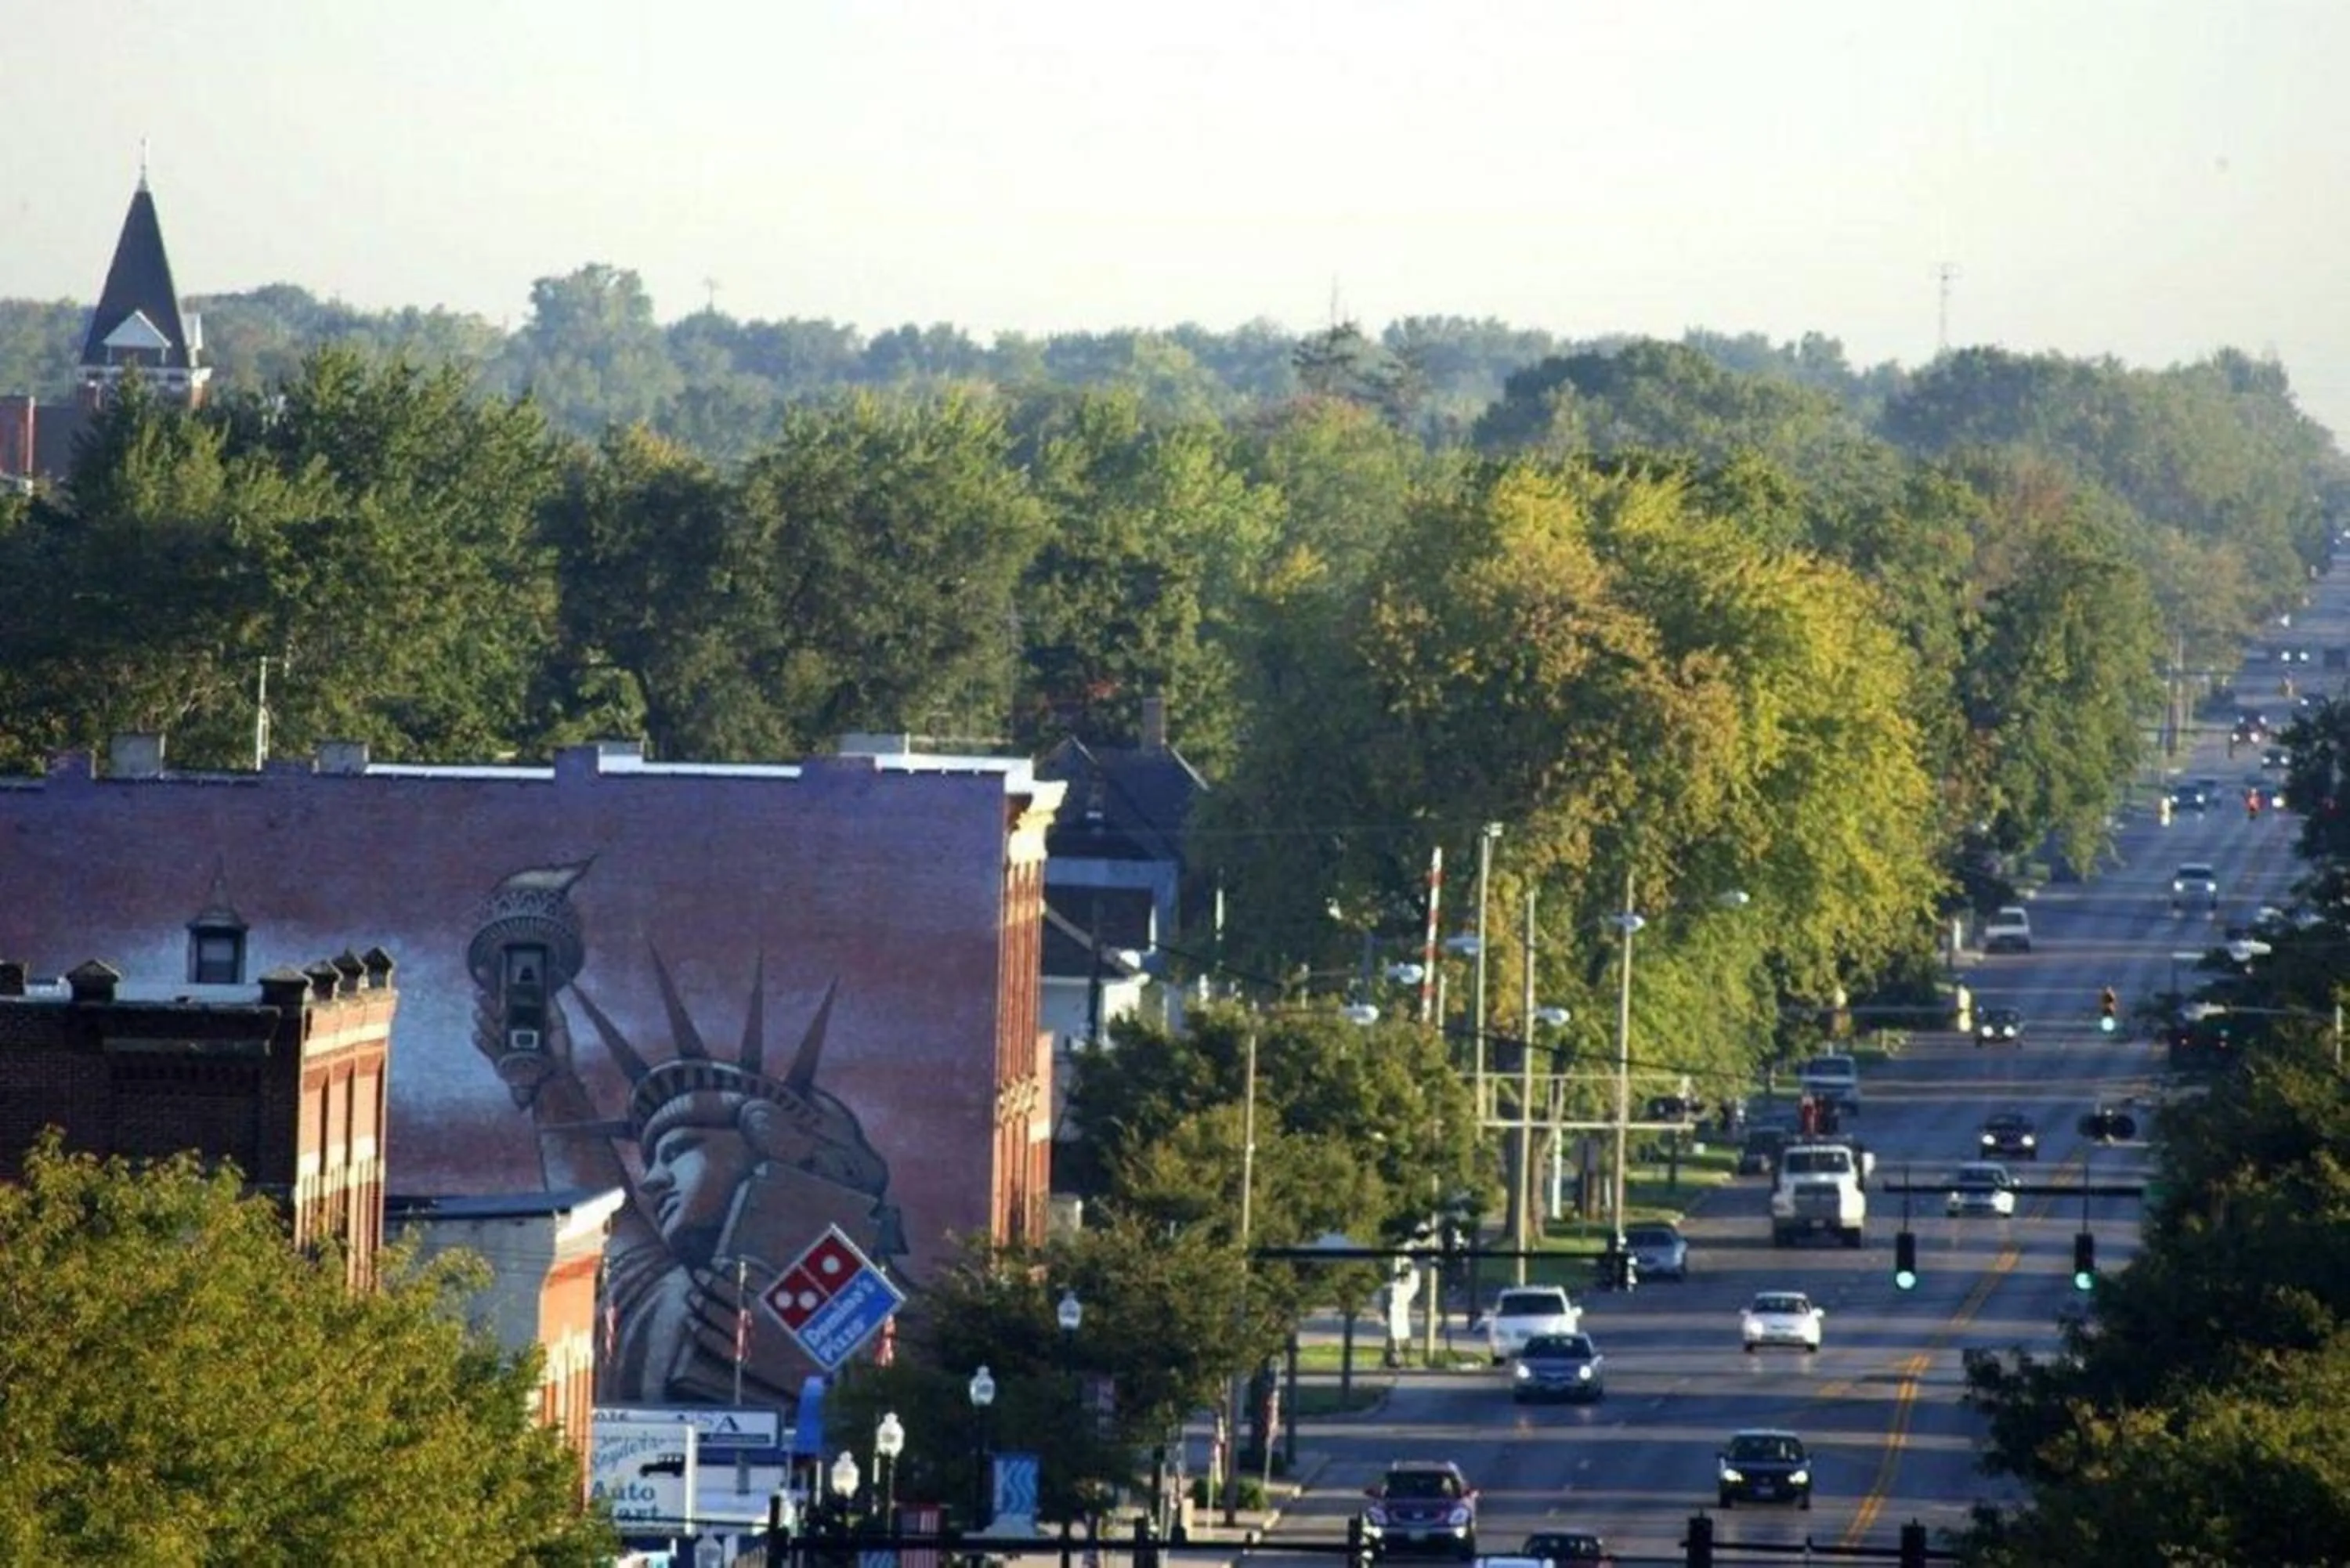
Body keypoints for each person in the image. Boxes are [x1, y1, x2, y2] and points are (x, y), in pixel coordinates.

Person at [468, 863, 905, 1405]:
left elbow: (876, 1353)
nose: (650, 1182)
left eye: (676, 1151)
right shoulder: (671, 1298)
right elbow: (614, 1229)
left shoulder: (843, 1289)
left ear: (764, 1143)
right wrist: (551, 1082)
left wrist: (792, 1179)